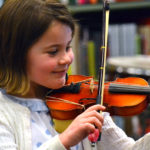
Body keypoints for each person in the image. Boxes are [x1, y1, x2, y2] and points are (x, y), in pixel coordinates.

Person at [0, 0, 149, 150]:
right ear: (15, 54)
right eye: (53, 51)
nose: (66, 58)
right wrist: (64, 141)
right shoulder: (4, 113)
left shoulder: (81, 103)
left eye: (68, 46)